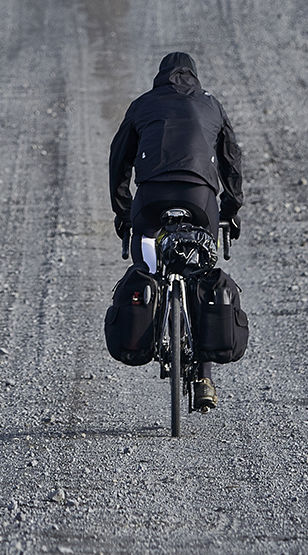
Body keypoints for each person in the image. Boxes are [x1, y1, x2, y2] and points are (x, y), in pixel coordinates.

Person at [109, 52, 243, 410]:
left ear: (160, 77)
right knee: (203, 275)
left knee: (148, 268)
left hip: (151, 198)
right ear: (195, 78)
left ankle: (148, 326)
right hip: (200, 198)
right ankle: (205, 378)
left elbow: (118, 160)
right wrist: (232, 208)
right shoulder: (211, 105)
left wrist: (123, 211)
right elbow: (231, 160)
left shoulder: (142, 104)